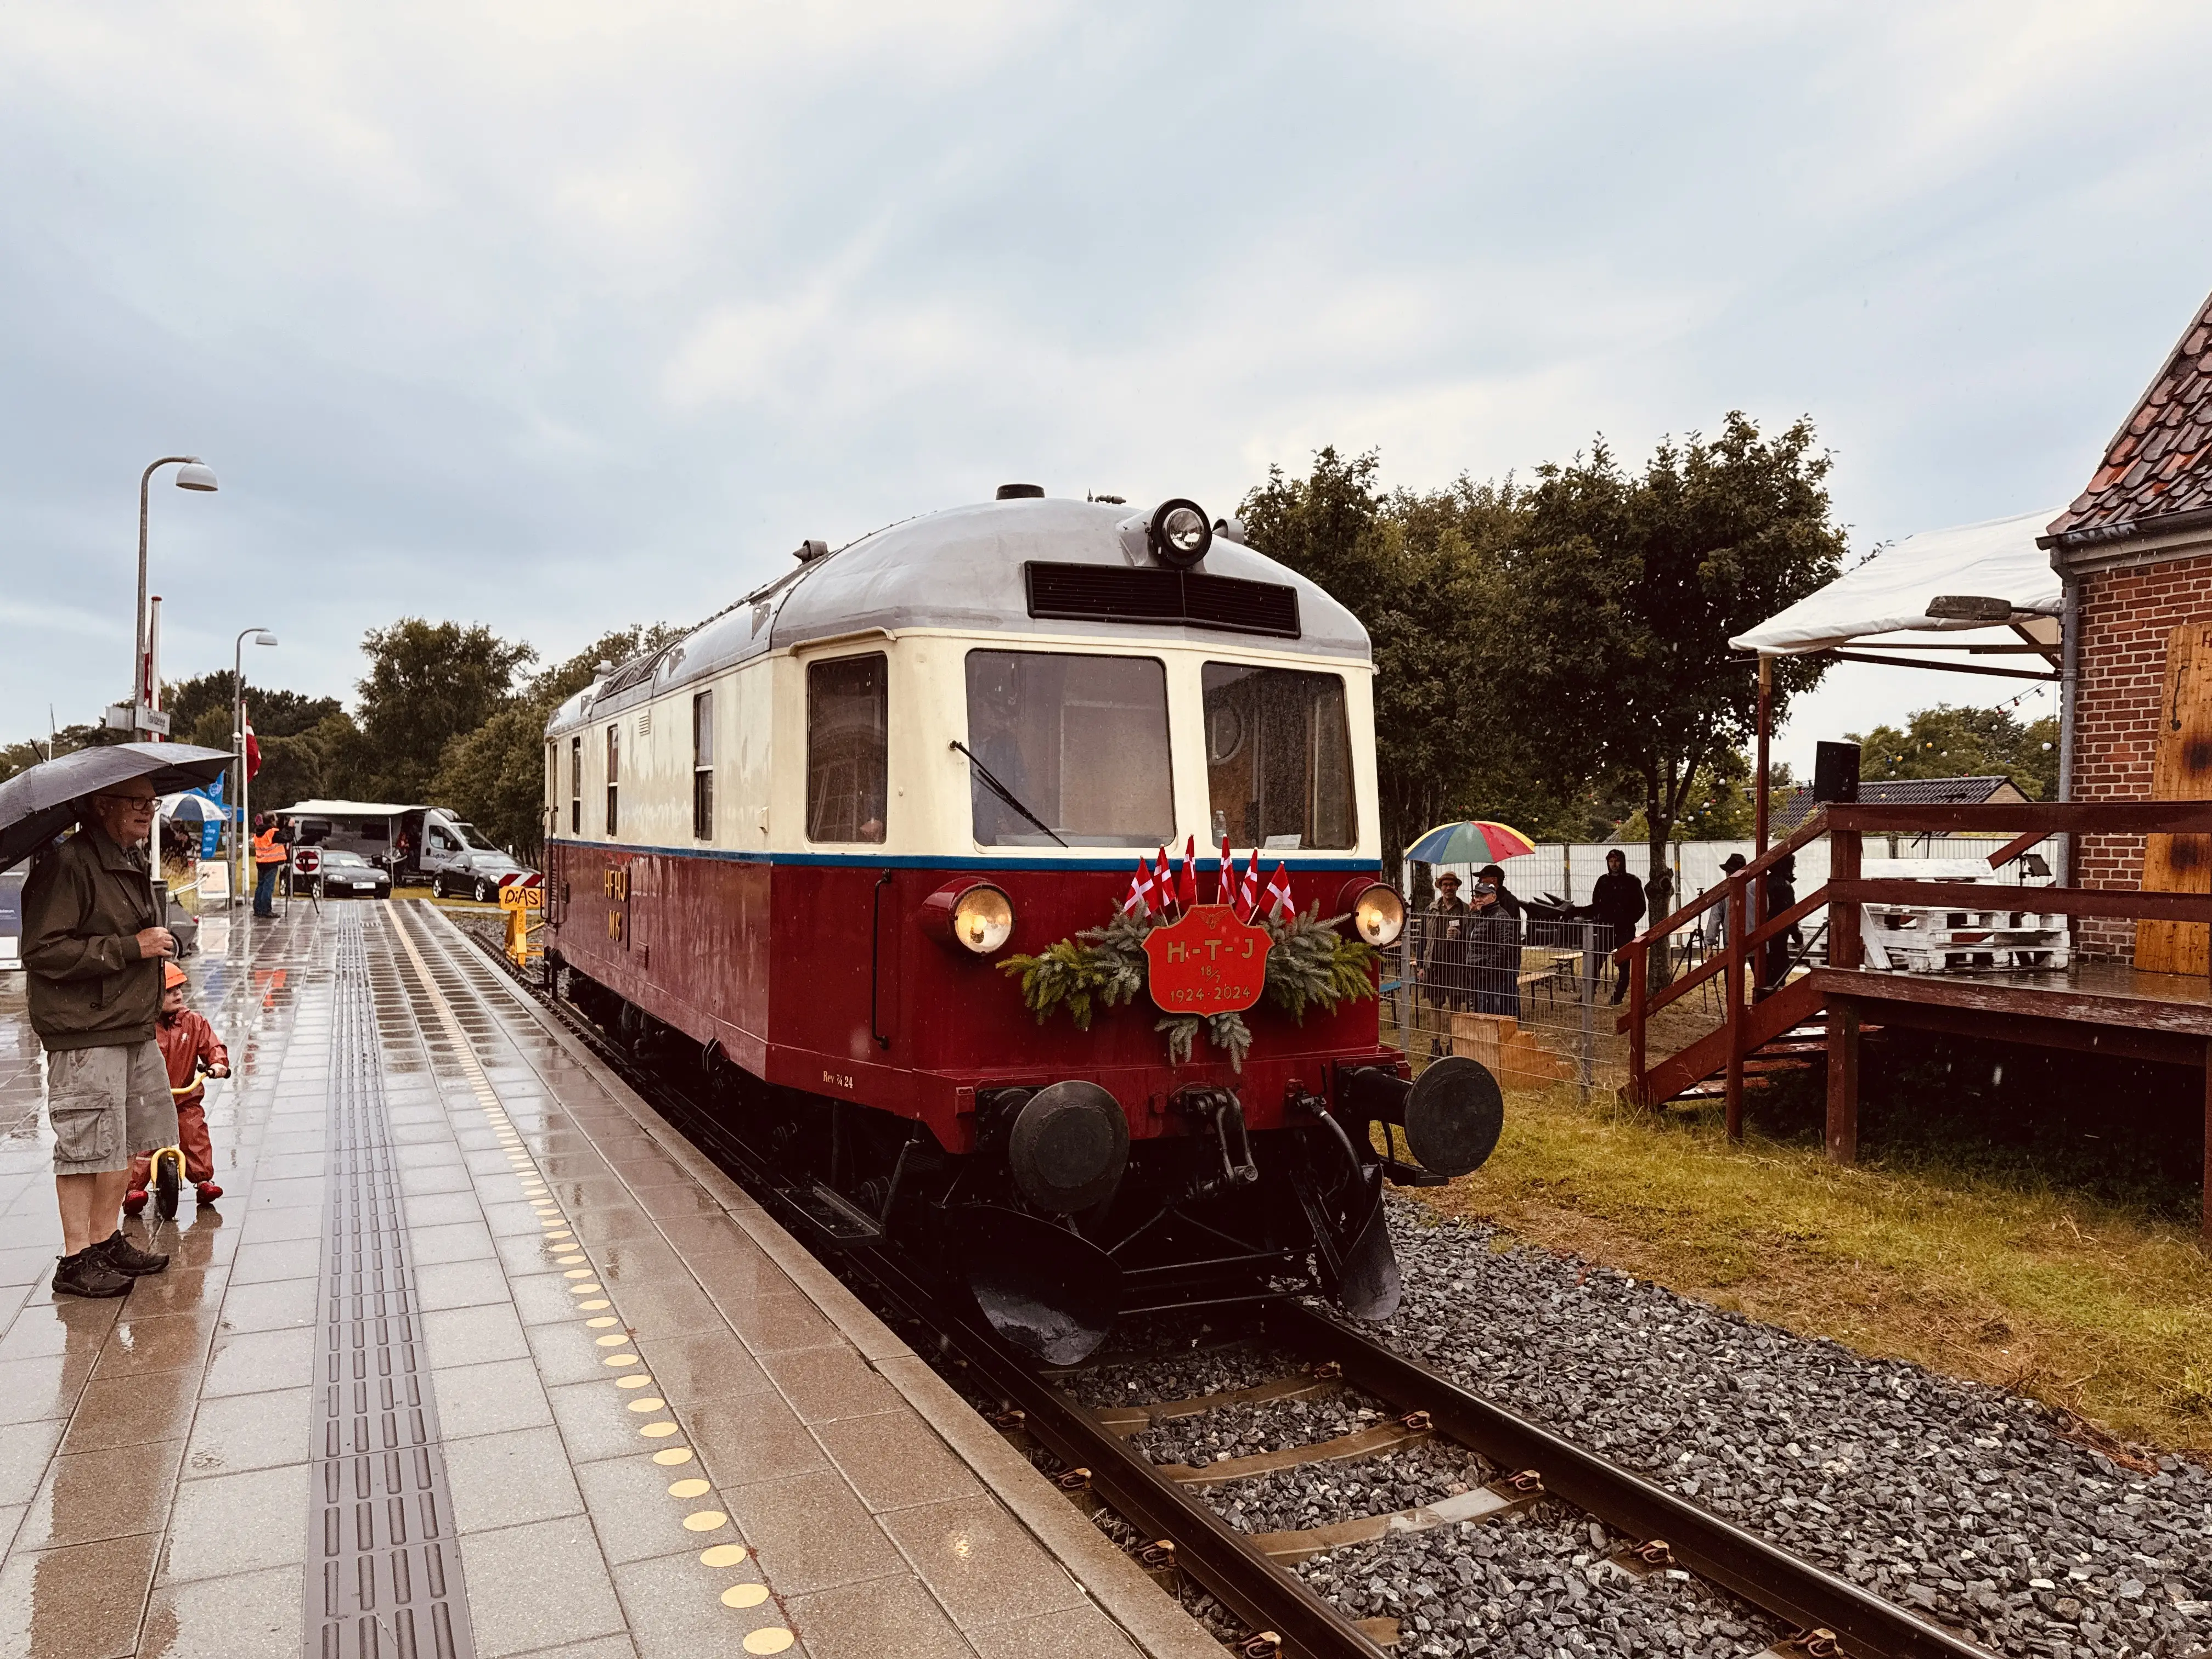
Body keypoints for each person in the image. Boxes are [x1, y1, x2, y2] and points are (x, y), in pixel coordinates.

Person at [20, 780, 177, 1297]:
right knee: (86, 1145)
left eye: (150, 802)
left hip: (129, 1022)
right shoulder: (68, 863)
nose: (146, 811)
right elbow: (44, 952)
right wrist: (132, 947)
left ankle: (106, 1239)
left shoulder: (127, 858)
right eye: (135, 801)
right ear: (101, 804)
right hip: (86, 1030)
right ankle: (75, 1258)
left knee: (123, 1143)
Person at [124, 963, 228, 1215]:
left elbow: (212, 1045)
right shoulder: (142, 1026)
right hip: (147, 1100)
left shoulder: (193, 1022)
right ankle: (133, 1189)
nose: (178, 995)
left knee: (195, 1134)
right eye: (170, 991)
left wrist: (217, 1063)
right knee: (143, 1143)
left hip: (184, 1096)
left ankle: (204, 1181)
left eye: (180, 988)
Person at [1415, 871, 1472, 1034]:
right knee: (1436, 1005)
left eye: (1452, 884)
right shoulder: (1431, 909)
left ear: (1457, 887)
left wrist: (1460, 936)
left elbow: (1472, 938)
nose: (1449, 888)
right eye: (1445, 885)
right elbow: (1423, 939)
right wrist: (1421, 965)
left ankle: (1455, 1043)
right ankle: (1436, 1043)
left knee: (1456, 1005)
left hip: (1457, 964)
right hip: (1435, 965)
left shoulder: (1465, 910)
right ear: (1440, 887)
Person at [1591, 848, 1646, 1006]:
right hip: (1606, 928)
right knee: (1596, 960)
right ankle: (1589, 993)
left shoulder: (1632, 881)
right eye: (1611, 861)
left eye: (1617, 861)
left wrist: (1628, 921)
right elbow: (1596, 903)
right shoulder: (1603, 881)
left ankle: (1618, 996)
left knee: (1624, 964)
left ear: (1622, 862)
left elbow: (1641, 907)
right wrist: (1600, 919)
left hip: (1625, 929)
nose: (1614, 864)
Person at [1465, 881, 1521, 1017]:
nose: (1479, 899)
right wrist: (1473, 915)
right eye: (1477, 896)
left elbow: (1504, 948)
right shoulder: (1479, 915)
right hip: (1476, 973)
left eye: (1483, 896)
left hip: (1491, 976)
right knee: (1479, 1012)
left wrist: (1488, 969)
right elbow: (1471, 940)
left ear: (1494, 897)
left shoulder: (1500, 916)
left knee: (1491, 1013)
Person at [1758, 853, 1803, 998]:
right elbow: (1790, 915)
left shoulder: (1763, 883)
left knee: (1765, 974)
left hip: (1763, 936)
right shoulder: (1785, 887)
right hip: (1778, 937)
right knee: (1779, 972)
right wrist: (1798, 936)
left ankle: (1763, 1002)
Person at [251, 812, 289, 917]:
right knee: (268, 887)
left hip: (261, 862)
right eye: (275, 819)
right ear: (272, 820)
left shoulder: (258, 832)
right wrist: (290, 827)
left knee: (261, 886)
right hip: (271, 863)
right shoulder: (272, 832)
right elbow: (286, 838)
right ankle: (266, 910)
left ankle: (258, 909)